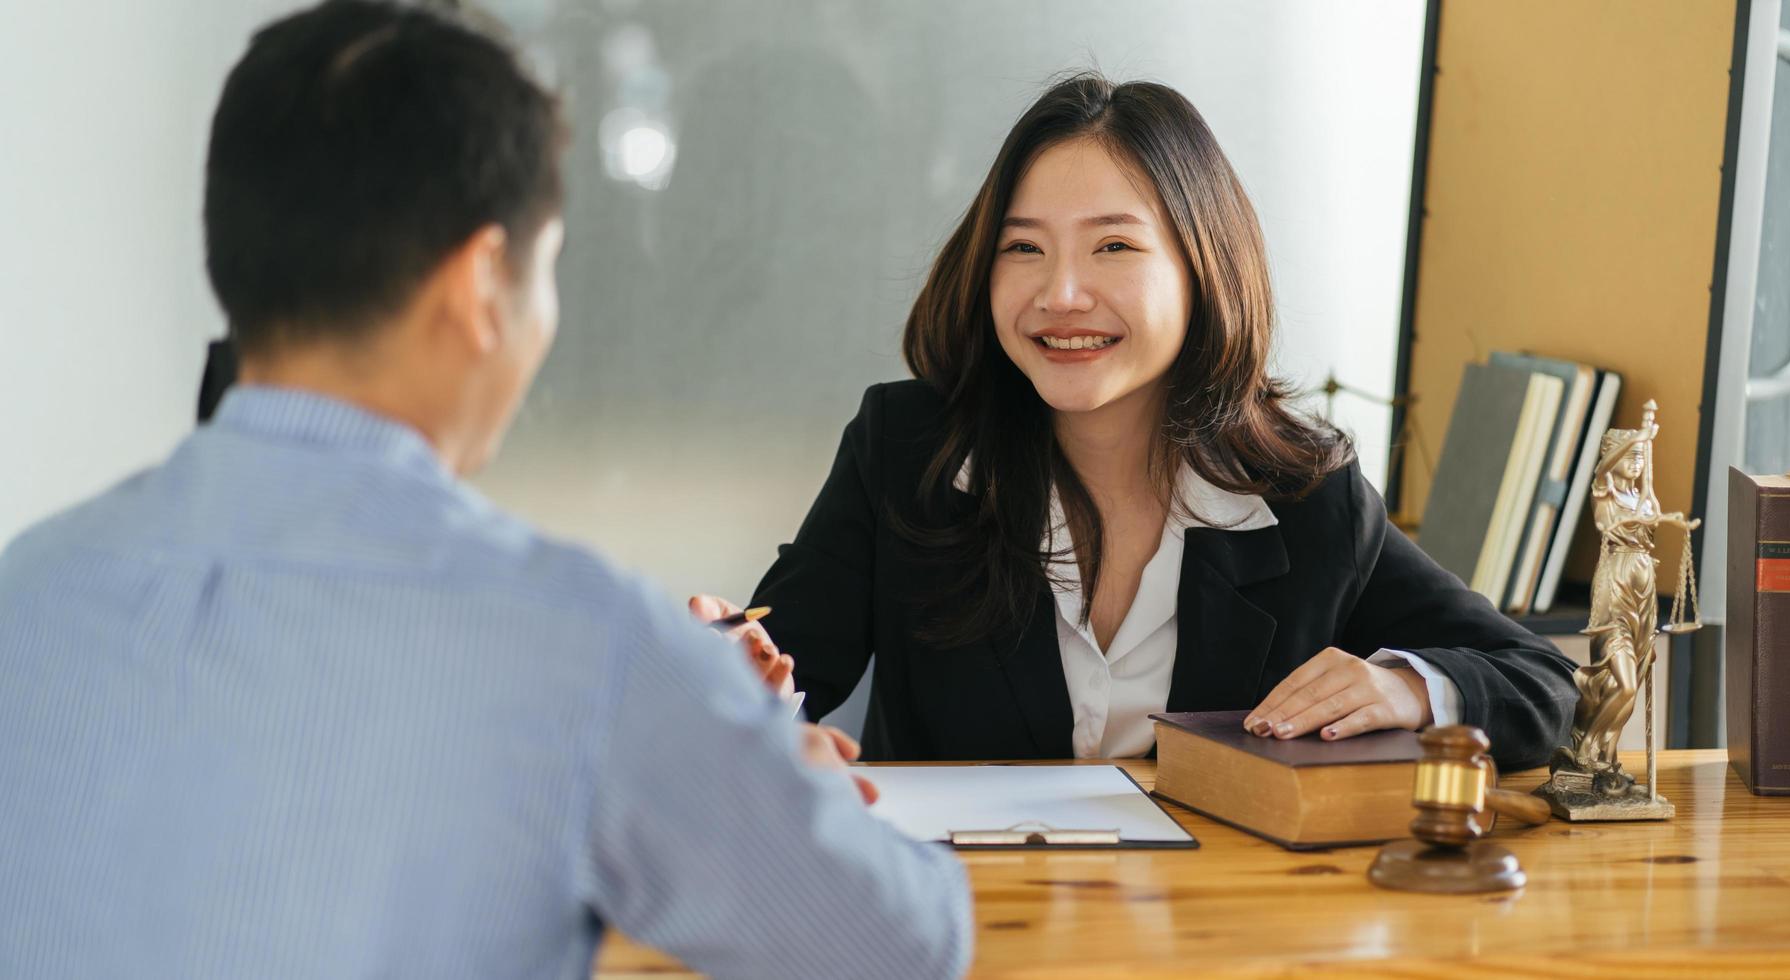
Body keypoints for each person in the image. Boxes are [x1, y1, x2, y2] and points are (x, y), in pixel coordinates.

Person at [0, 3, 969, 978]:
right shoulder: (586, 641)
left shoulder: (28, 590)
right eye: (545, 270)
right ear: (480, 284)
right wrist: (775, 778)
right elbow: (902, 942)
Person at [700, 73, 1577, 769]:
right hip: (954, 920)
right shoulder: (908, 452)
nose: (1060, 294)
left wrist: (1410, 690)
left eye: (1114, 246)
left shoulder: (1306, 495)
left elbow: (1541, 682)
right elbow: (783, 672)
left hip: (1206, 932)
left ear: (1202, 268)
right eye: (1023, 248)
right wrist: (727, 677)